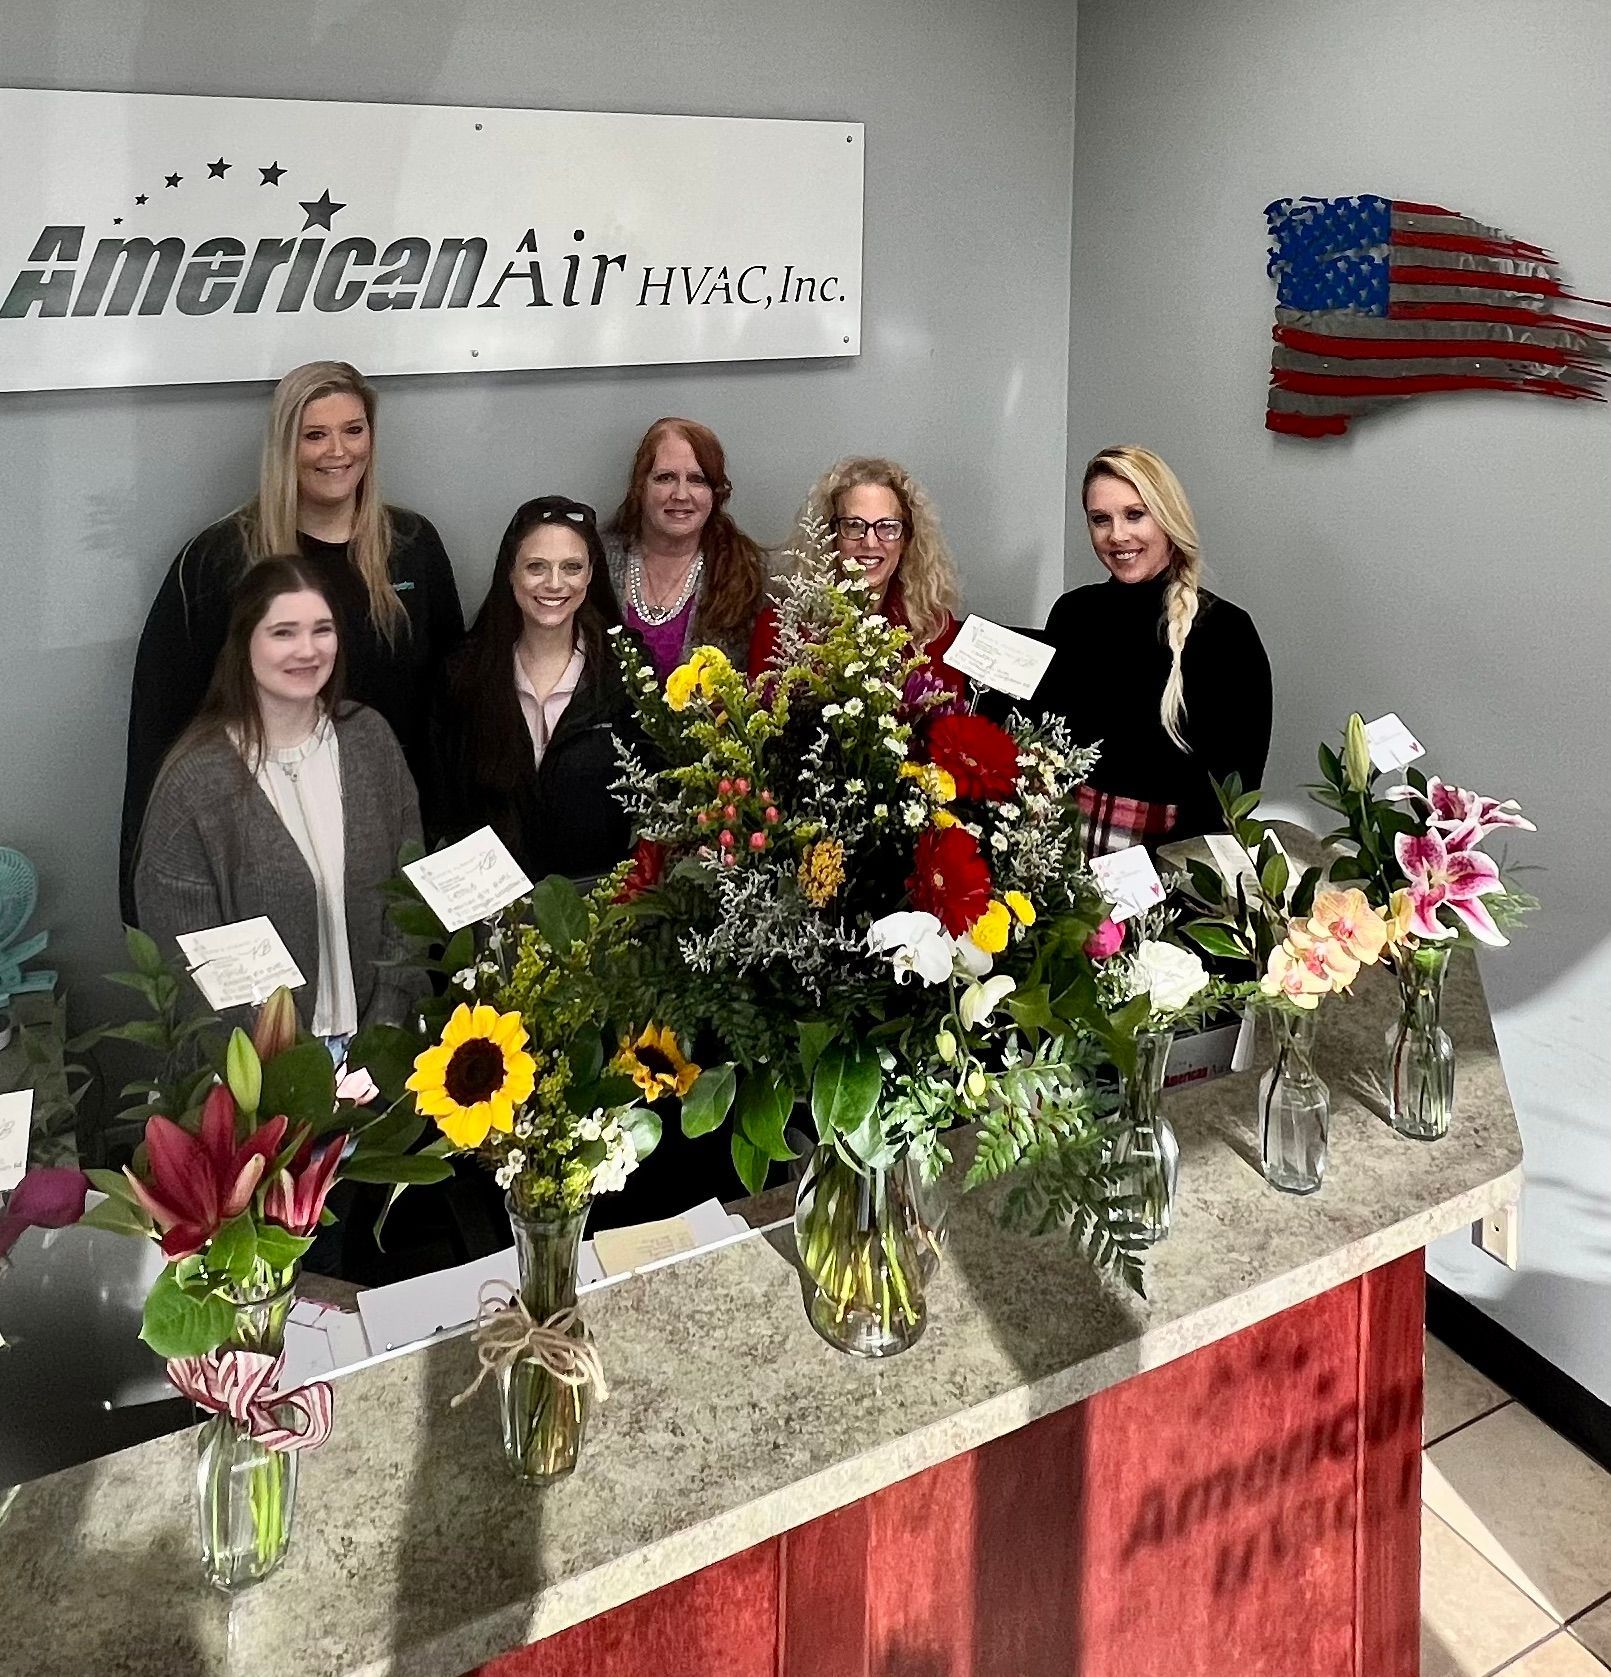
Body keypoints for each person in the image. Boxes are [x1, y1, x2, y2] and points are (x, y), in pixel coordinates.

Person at [120, 360, 462, 921]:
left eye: (354, 429)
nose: (338, 451)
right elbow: (163, 721)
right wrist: (150, 883)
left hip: (389, 831)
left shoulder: (413, 546)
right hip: (260, 843)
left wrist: (448, 838)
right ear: (285, 444)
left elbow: (450, 703)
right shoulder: (222, 561)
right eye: (315, 434)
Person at [134, 557, 424, 1049]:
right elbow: (184, 965)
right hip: (257, 1078)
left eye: (322, 629)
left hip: (381, 1050)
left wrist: (386, 1031)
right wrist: (279, 1074)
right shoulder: (193, 784)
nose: (307, 650)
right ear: (244, 643)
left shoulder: (369, 741)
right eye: (283, 633)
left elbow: (409, 894)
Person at [1036, 445, 1272, 854]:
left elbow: (1234, 789)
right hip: (1065, 848)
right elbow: (1047, 743)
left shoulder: (1227, 632)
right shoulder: (1072, 614)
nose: (1117, 536)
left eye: (1134, 514)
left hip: (1175, 863)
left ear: (1167, 517)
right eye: (1100, 520)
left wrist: (1167, 877)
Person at [427, 497, 638, 882]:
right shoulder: (464, 675)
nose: (555, 584)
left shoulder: (628, 672)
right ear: (510, 573)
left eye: (572, 567)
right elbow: (442, 804)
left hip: (600, 911)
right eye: (536, 567)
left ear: (591, 574)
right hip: (490, 912)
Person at [749, 456, 964, 688]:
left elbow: (953, 721)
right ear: (830, 536)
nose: (870, 542)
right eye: (853, 525)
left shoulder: (935, 629)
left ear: (906, 539)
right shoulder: (781, 631)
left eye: (888, 527)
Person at [603, 417, 766, 680]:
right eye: (665, 477)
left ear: (715, 492)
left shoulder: (751, 577)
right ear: (640, 486)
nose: (681, 494)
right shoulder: (596, 563)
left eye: (697, 479)